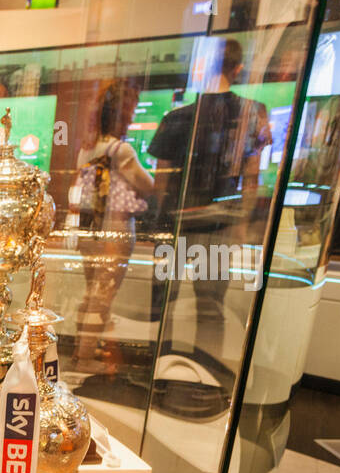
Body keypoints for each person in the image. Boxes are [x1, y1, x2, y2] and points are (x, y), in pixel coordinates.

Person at [148, 38, 272, 364]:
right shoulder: (252, 113)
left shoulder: (176, 118)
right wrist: (243, 224)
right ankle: (207, 373)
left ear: (203, 69)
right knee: (211, 306)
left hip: (175, 224)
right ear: (238, 68)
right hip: (219, 226)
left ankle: (159, 367)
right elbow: (251, 178)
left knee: (164, 303)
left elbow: (161, 183)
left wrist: (161, 222)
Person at [71, 80, 153, 375]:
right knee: (102, 295)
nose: (132, 117)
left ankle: (86, 348)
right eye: (130, 110)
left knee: (92, 292)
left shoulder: (88, 149)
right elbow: (148, 183)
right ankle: (84, 358)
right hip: (115, 229)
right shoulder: (121, 150)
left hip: (89, 229)